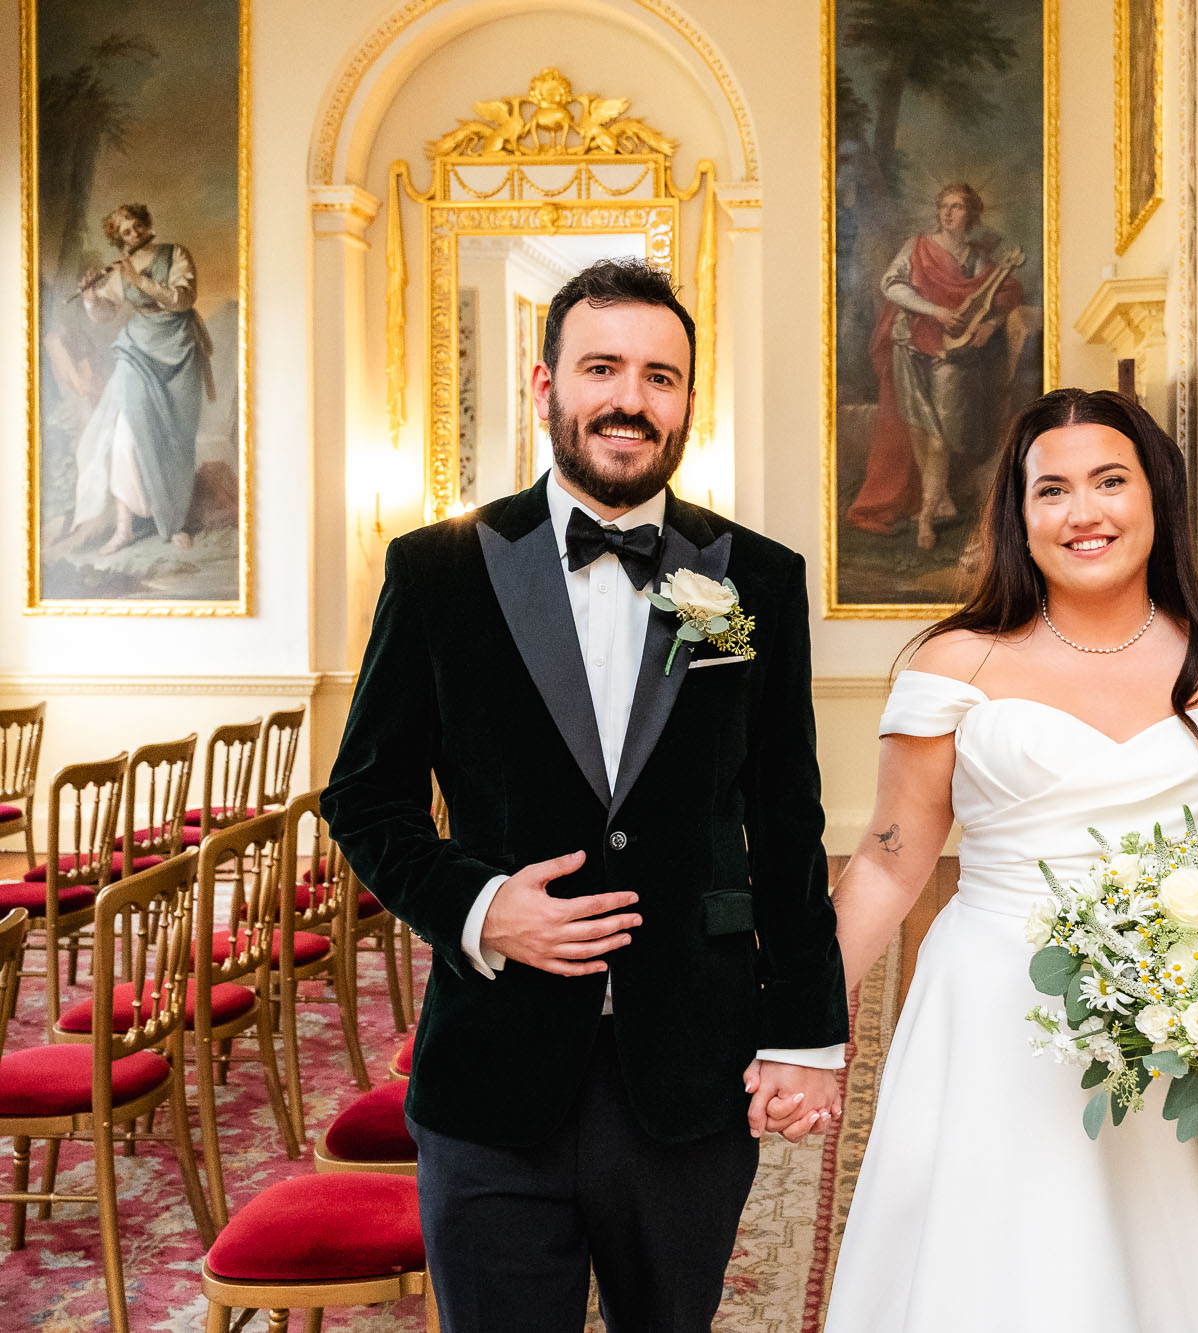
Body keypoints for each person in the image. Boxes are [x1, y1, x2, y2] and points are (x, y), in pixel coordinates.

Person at [323, 259, 848, 1333]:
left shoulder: (754, 576)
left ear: (687, 400)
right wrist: (481, 908)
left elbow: (787, 819)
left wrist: (804, 1031)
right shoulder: (435, 570)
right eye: (601, 367)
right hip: (493, 1068)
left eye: (661, 376)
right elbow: (365, 798)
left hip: (689, 1069)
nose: (629, 399)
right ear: (544, 385)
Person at [823, 388, 1198, 1332]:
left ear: (1156, 495)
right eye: (1052, 490)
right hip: (996, 1017)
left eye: (1110, 481)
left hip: (1191, 1039)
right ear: (1020, 515)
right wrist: (799, 1027)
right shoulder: (954, 663)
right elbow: (887, 863)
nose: (1083, 512)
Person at [845, 182, 1024, 550]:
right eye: (944, 206)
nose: (947, 213)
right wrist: (935, 310)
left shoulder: (977, 260)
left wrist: (991, 325)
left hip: (951, 353)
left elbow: (1003, 294)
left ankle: (926, 514)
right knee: (918, 428)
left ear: (970, 214)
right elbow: (891, 284)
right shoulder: (918, 246)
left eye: (956, 207)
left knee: (939, 436)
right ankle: (937, 502)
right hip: (911, 342)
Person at [67, 203, 214, 554]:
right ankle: (124, 528)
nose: (133, 235)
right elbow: (105, 314)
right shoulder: (120, 269)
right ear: (118, 238)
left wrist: (139, 280)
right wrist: (91, 299)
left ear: (146, 225)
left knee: (176, 441)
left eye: (136, 227)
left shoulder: (175, 254)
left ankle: (173, 523)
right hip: (137, 350)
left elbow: (183, 298)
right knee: (124, 436)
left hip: (179, 351)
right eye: (125, 232)